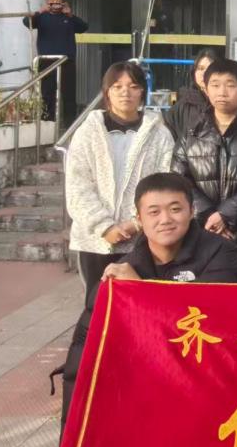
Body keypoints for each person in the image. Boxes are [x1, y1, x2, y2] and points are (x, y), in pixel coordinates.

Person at [44, 172, 237, 447]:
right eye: (154, 212)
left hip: (209, 393)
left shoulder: (221, 254)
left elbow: (213, 325)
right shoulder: (121, 273)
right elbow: (81, 367)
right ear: (139, 219)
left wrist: (142, 291)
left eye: (175, 209)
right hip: (149, 397)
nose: (165, 219)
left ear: (191, 211)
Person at [65, 62, 174, 299]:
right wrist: (104, 226)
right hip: (95, 240)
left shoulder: (160, 135)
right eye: (117, 86)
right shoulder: (87, 133)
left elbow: (165, 185)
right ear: (107, 92)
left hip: (143, 239)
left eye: (133, 86)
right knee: (97, 303)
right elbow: (77, 186)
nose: (126, 92)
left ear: (142, 92)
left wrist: (136, 223)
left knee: (140, 304)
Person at [172, 58, 237, 284]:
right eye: (215, 84)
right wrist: (210, 218)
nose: (222, 92)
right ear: (205, 88)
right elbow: (179, 180)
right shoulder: (192, 131)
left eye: (230, 85)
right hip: (202, 235)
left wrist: (225, 216)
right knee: (206, 302)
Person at [22, 0, 87, 124]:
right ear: (48, 3)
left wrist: (70, 14)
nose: (55, 3)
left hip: (66, 61)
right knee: (47, 94)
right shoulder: (42, 17)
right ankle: (47, 123)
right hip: (47, 61)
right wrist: (40, 11)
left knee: (69, 94)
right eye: (52, 1)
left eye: (58, 1)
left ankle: (70, 125)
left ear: (62, 3)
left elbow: (84, 27)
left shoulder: (68, 17)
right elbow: (27, 22)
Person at [163, 47, 220, 139]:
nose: (204, 73)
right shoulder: (182, 104)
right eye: (200, 68)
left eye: (209, 68)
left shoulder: (226, 102)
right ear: (194, 72)